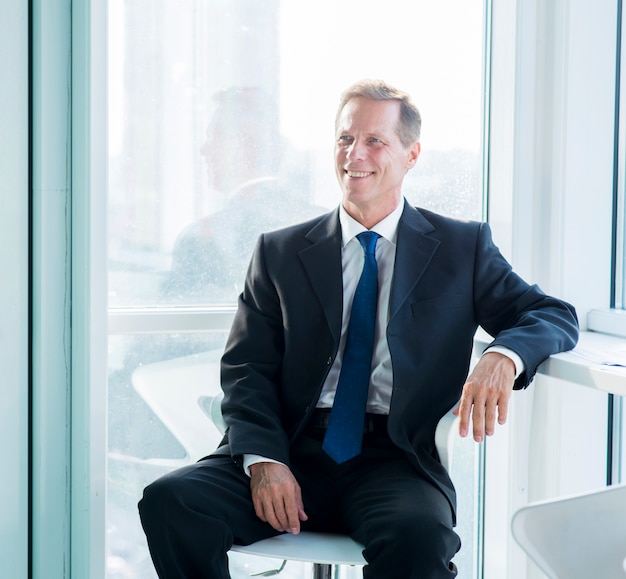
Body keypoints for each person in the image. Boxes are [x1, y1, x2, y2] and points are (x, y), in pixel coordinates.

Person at [138, 79, 579, 578]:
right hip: (292, 447)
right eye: (346, 139)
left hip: (394, 458)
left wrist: (503, 356)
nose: (355, 154)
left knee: (421, 539)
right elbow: (246, 368)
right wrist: (264, 459)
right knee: (172, 501)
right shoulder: (279, 252)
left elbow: (551, 313)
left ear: (411, 154)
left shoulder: (462, 248)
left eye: (374, 141)